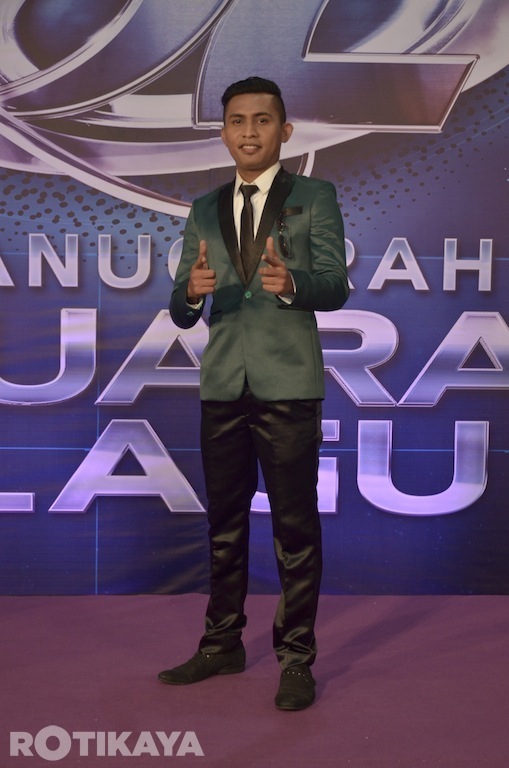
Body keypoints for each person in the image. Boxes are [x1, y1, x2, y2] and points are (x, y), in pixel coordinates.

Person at [159, 76, 349, 711]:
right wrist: (190, 294)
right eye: (237, 121)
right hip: (222, 385)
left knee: (295, 529)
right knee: (224, 525)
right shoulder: (203, 207)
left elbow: (335, 285)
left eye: (262, 120)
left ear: (284, 131)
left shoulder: (315, 196)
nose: (249, 131)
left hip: (288, 386)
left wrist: (292, 284)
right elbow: (182, 306)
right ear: (223, 132)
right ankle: (222, 643)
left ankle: (296, 659)